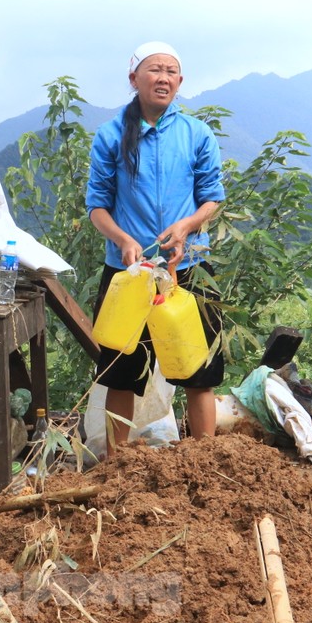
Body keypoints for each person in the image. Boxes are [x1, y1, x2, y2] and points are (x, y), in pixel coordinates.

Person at [86, 41, 226, 451]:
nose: (163, 77)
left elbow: (212, 197)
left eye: (171, 71)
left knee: (199, 370)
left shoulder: (196, 133)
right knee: (122, 371)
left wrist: (187, 226)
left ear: (180, 82)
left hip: (190, 267)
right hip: (130, 273)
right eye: (154, 70)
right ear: (134, 79)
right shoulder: (112, 136)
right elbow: (97, 206)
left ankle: (203, 461)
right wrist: (124, 240)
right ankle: (117, 466)